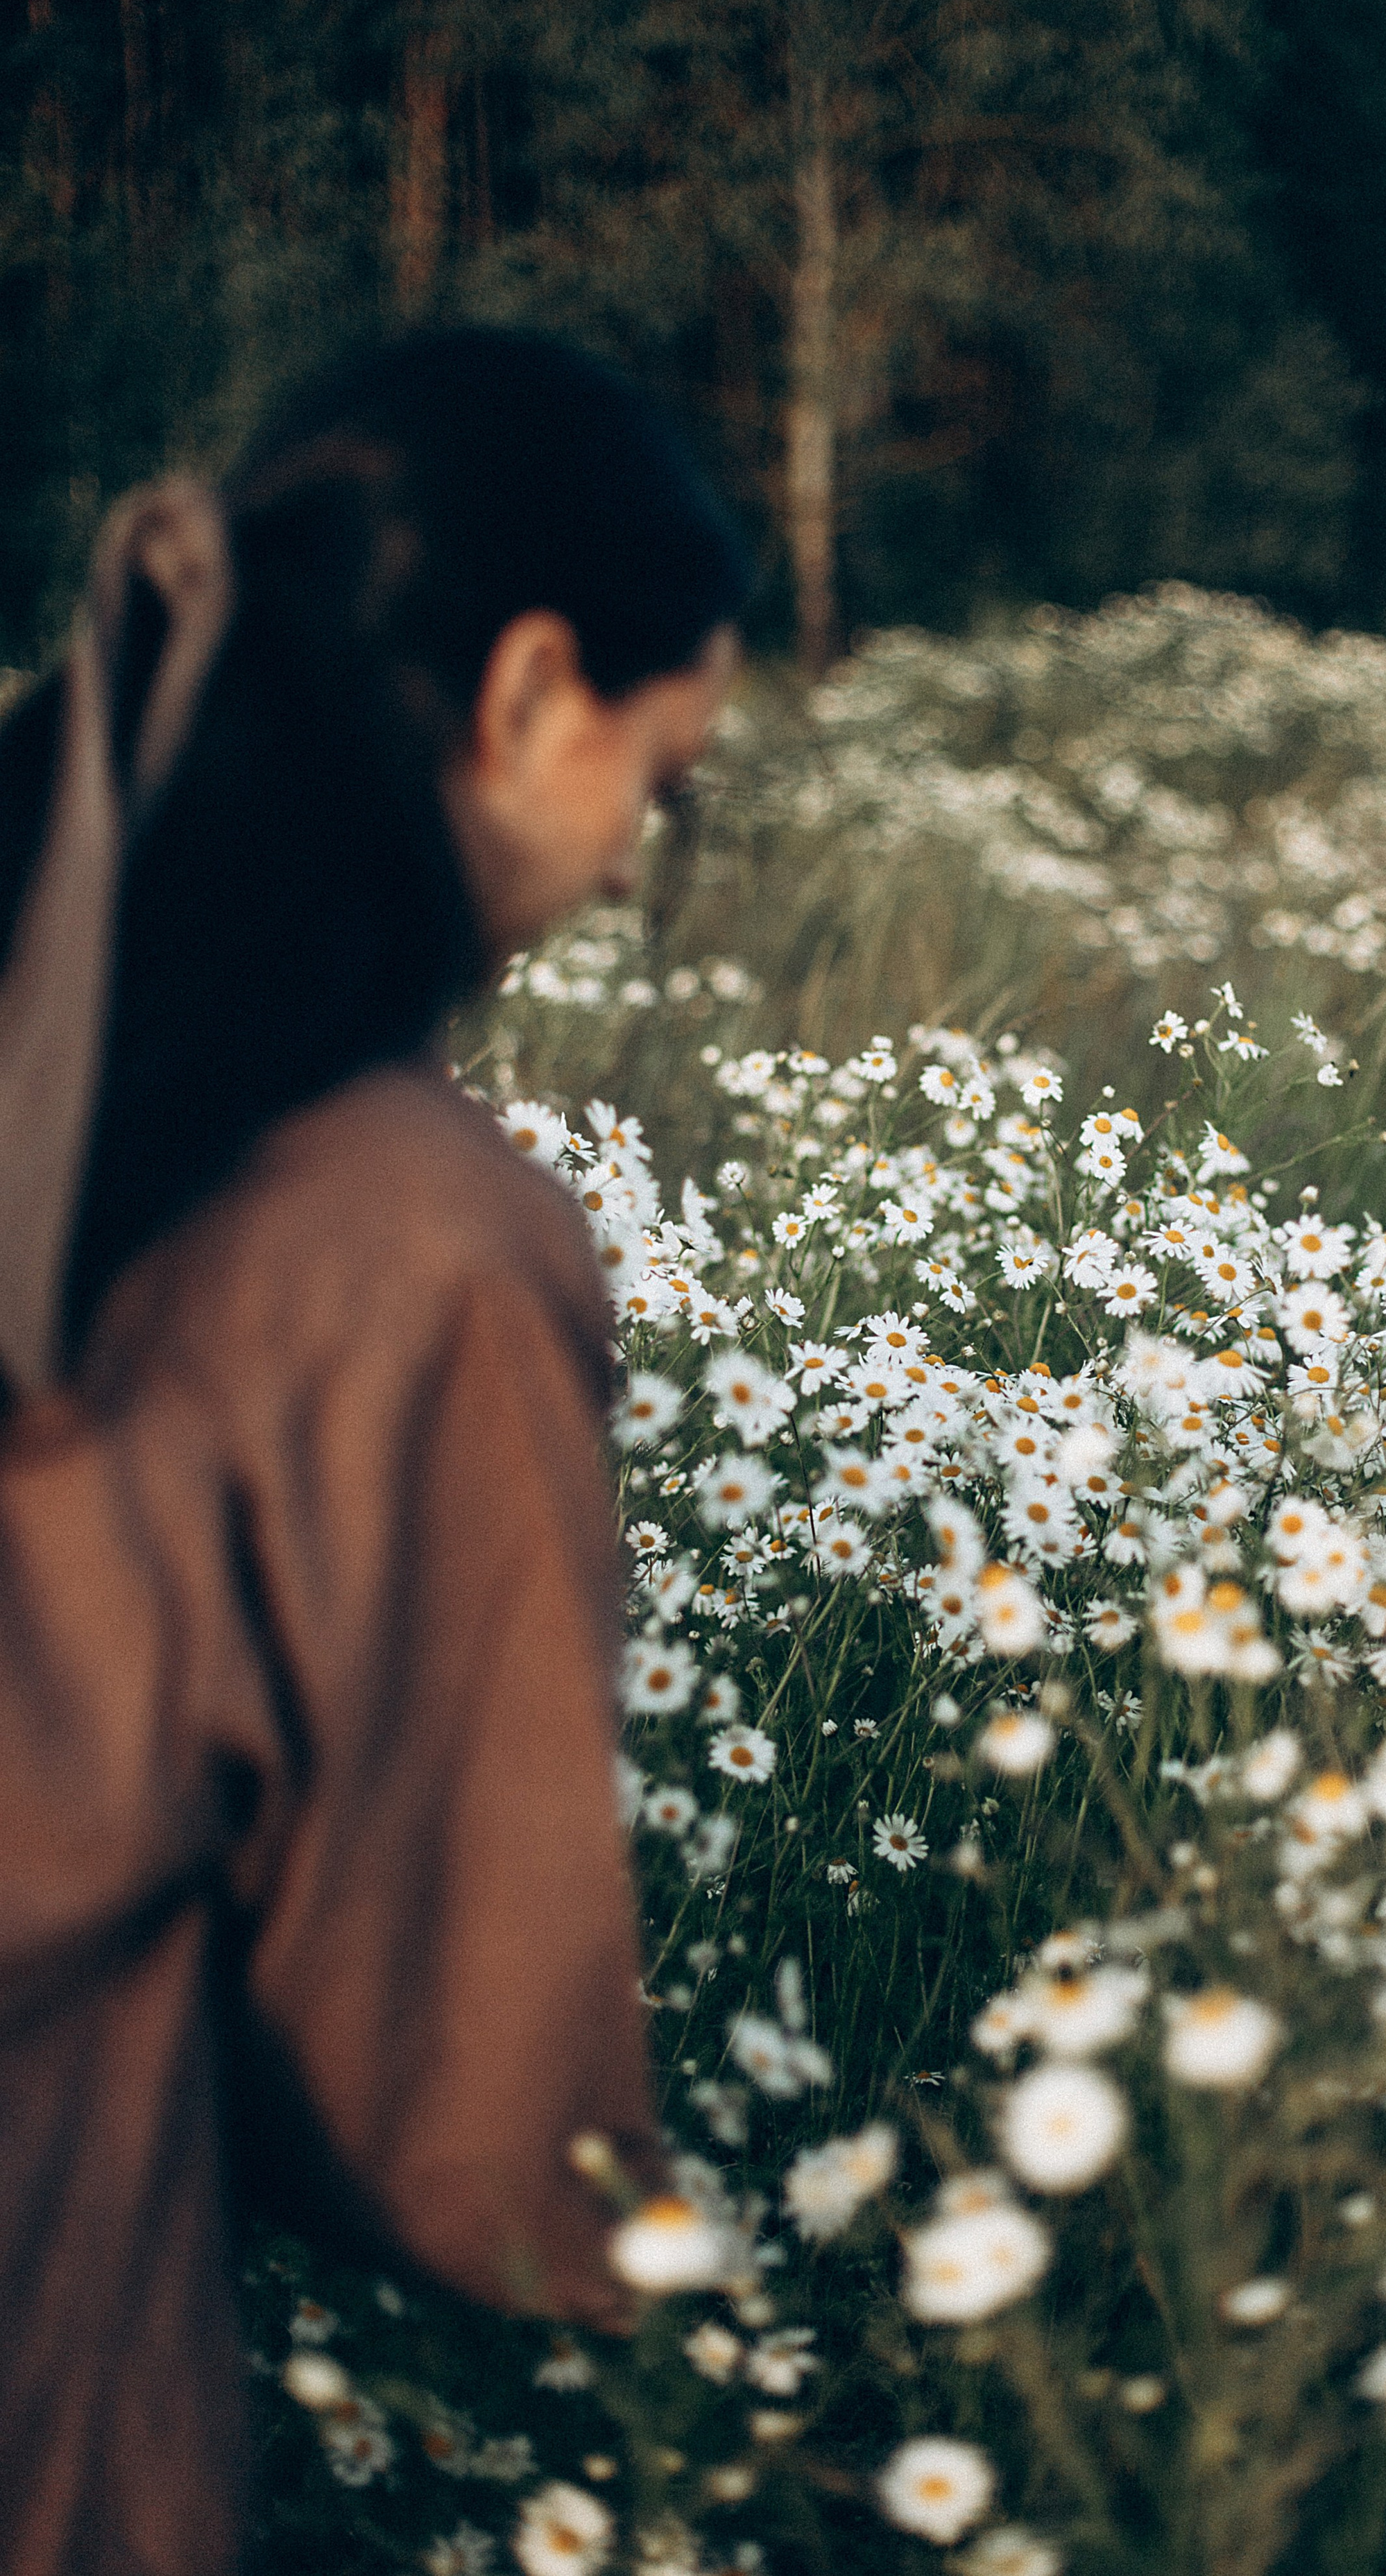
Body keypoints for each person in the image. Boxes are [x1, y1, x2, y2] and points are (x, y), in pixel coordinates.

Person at [0, 328, 749, 2576]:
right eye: (666, 778)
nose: (638, 863)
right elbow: (475, 2103)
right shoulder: (411, 1249)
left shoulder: (57, 1031)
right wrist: (717, 2356)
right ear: (527, 691)